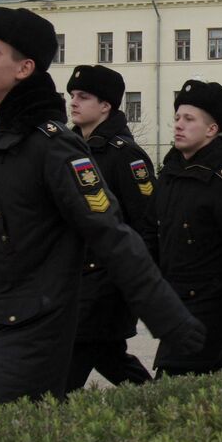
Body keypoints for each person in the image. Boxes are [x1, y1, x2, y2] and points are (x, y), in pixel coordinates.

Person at [0, 6, 203, 410]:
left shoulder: (52, 146)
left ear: (25, 68)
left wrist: (168, 317)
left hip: (35, 329)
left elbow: (112, 233)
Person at [154, 80, 222, 375]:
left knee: (174, 382)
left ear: (212, 129)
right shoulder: (169, 175)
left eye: (189, 119)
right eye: (177, 117)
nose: (178, 125)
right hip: (172, 302)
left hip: (208, 306)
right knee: (209, 379)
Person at [62, 64, 158, 390]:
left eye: (83, 97)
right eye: (72, 95)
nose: (73, 102)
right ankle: (159, 402)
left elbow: (146, 223)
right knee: (110, 357)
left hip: (106, 286)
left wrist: (131, 283)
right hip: (73, 282)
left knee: (65, 373)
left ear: (106, 106)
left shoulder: (126, 156)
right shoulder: (65, 149)